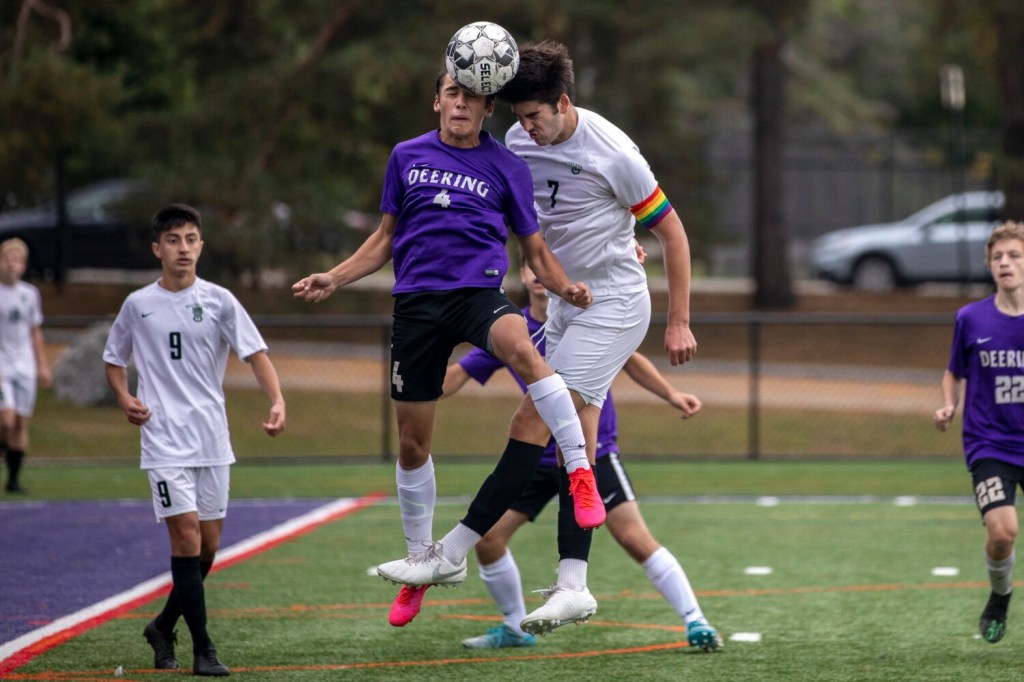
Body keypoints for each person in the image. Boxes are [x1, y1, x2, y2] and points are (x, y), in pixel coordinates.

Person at [292, 72, 596, 611]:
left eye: (472, 96)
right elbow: (383, 239)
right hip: (416, 306)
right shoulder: (406, 156)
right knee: (412, 443)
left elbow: (535, 251)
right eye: (452, 94)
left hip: (478, 293)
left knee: (523, 348)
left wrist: (565, 286)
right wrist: (334, 277)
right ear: (437, 101)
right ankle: (422, 559)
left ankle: (578, 469)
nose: (460, 103)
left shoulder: (508, 166)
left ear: (487, 109)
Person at [400, 259, 721, 651]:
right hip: (534, 456)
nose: (539, 274)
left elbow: (631, 359)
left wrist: (672, 395)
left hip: (591, 451)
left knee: (634, 537)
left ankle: (696, 620)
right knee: (489, 539)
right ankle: (515, 627)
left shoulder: (582, 311)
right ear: (522, 275)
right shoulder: (510, 328)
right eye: (531, 266)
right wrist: (416, 385)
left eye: (546, 265)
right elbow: (460, 373)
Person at [491, 39, 698, 633]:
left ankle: (454, 545)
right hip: (566, 304)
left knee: (536, 416)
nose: (527, 128)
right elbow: (533, 222)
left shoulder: (615, 153)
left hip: (612, 305)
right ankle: (573, 585)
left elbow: (673, 234)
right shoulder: (518, 141)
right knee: (570, 438)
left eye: (535, 115)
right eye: (518, 117)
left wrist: (679, 321)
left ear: (562, 102)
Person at [104, 204, 286, 676]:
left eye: (190, 239)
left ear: (201, 246)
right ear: (157, 249)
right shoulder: (138, 304)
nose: (182, 248)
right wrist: (124, 398)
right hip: (162, 439)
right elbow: (114, 359)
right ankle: (203, 649)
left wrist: (277, 400)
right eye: (173, 240)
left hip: (211, 438)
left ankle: (162, 626)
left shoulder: (220, 300)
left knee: (207, 547)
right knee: (185, 536)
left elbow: (256, 354)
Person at [934, 220, 1024, 645]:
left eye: (1014, 255)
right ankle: (1000, 595)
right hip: (990, 444)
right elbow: (953, 371)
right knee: (1003, 532)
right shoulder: (971, 318)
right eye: (997, 257)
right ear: (989, 266)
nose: (1005, 263)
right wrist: (948, 404)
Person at [0, 238, 52, 494]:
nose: (12, 265)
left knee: (20, 423)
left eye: (17, 260)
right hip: (2, 366)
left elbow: (35, 332)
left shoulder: (30, 294)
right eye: (7, 259)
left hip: (25, 365)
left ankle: (13, 480)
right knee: (6, 420)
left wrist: (42, 366)